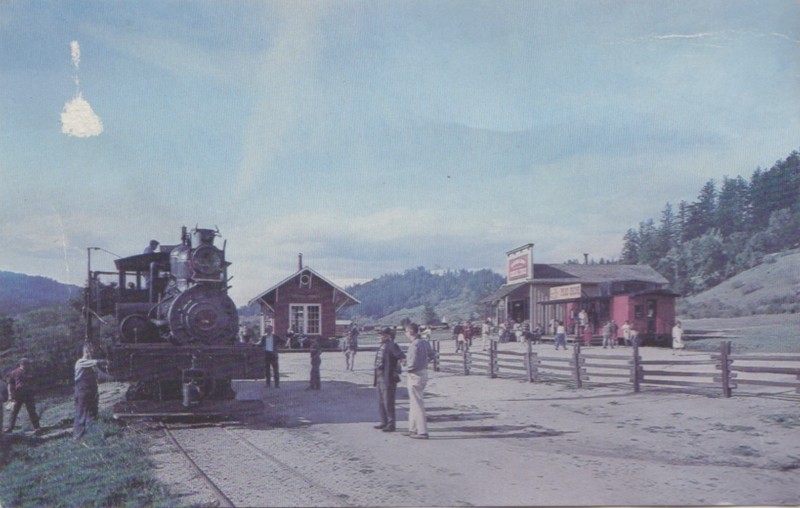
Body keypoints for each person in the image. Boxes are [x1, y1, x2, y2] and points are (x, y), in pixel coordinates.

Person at [73, 344, 110, 440]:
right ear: (83, 352)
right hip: (82, 391)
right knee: (81, 413)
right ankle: (77, 436)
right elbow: (96, 362)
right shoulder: (81, 362)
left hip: (92, 390)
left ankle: (92, 433)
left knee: (93, 412)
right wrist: (106, 361)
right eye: (87, 352)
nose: (89, 354)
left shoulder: (92, 365)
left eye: (91, 352)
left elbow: (101, 374)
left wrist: (115, 378)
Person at [373, 327, 405, 432]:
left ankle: (391, 424)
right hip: (379, 375)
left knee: (388, 401)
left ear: (387, 336)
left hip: (388, 377)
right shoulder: (382, 346)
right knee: (381, 401)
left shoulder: (392, 345)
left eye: (381, 335)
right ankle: (384, 422)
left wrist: (398, 367)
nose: (379, 337)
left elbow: (401, 356)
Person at [404, 323, 431, 439]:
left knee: (417, 403)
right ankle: (413, 428)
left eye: (406, 331)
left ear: (410, 332)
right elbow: (432, 354)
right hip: (424, 372)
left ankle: (422, 431)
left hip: (415, 374)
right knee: (414, 402)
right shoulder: (424, 342)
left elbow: (412, 363)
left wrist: (404, 368)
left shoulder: (413, 345)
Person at [5, 358, 41, 434]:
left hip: (28, 394)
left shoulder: (31, 372)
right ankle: (9, 428)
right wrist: (10, 395)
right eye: (25, 364)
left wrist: (33, 389)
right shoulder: (14, 372)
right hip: (18, 395)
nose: (27, 366)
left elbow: (35, 383)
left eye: (28, 364)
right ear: (21, 364)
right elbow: (10, 384)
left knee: (32, 411)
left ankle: (37, 427)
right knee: (14, 412)